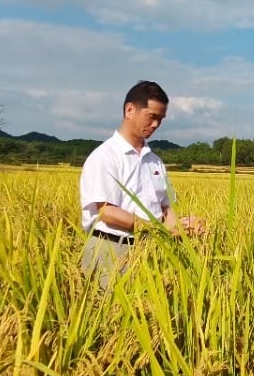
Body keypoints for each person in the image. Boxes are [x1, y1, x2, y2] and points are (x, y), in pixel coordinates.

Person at [79, 80, 203, 289]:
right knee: (109, 315)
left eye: (161, 119)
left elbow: (164, 206)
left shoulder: (154, 161)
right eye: (152, 116)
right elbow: (106, 212)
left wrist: (180, 227)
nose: (156, 125)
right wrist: (161, 230)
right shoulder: (105, 156)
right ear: (130, 110)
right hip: (111, 249)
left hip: (149, 249)